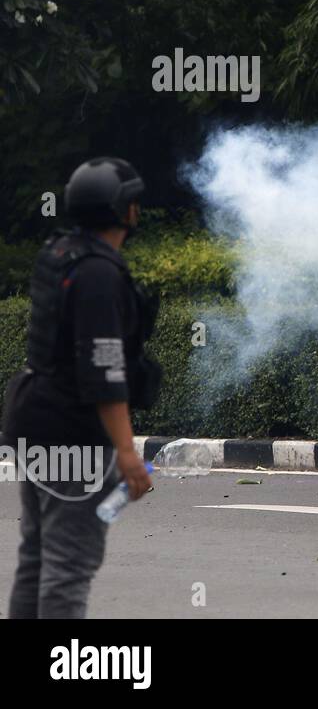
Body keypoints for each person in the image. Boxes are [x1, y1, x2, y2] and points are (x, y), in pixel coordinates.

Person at [3, 158, 158, 619]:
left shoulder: (60, 251)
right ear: (122, 209)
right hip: (72, 433)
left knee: (37, 556)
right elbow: (104, 370)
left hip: (34, 419)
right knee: (69, 567)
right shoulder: (98, 274)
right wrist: (127, 452)